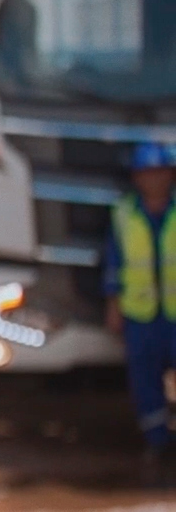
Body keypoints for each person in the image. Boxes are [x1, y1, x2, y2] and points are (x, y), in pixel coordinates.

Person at [105, 141, 176, 483]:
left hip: (175, 314)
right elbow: (114, 264)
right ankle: (157, 444)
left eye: (160, 172)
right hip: (142, 316)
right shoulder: (123, 214)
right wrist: (114, 306)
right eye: (148, 173)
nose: (155, 180)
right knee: (145, 383)